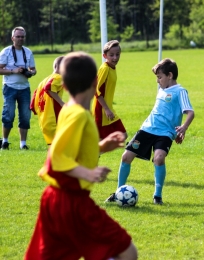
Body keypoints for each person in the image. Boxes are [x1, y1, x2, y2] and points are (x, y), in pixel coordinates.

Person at [24, 52, 138, 260]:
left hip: (54, 199)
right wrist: (88, 173)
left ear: (64, 86)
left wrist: (102, 146)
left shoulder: (69, 110)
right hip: (71, 200)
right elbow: (56, 159)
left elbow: (73, 151)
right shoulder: (77, 115)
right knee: (128, 252)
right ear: (96, 81)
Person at [105, 58, 195, 205]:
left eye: (160, 77)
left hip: (165, 133)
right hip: (147, 129)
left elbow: (190, 113)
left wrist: (182, 129)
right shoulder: (161, 90)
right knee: (126, 156)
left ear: (170, 75)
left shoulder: (180, 91)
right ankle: (118, 192)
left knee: (159, 158)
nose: (157, 81)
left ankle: (157, 196)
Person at [0, 26, 37, 150]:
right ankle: (5, 142)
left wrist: (30, 72)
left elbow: (34, 69)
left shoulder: (28, 52)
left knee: (25, 116)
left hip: (24, 88)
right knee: (8, 115)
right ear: (12, 38)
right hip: (9, 87)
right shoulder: (6, 52)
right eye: (18, 36)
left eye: (22, 36)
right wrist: (13, 71)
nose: (20, 39)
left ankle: (23, 144)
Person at [92, 40, 127, 140]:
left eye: (117, 54)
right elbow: (96, 89)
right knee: (121, 136)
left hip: (108, 109)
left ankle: (93, 154)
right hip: (101, 111)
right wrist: (106, 109)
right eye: (111, 55)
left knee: (122, 136)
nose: (115, 58)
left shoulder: (112, 68)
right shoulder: (105, 69)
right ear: (104, 56)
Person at [30, 56, 64, 145]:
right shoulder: (58, 78)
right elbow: (48, 88)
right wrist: (62, 103)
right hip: (54, 118)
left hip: (44, 120)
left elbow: (33, 102)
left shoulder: (44, 80)